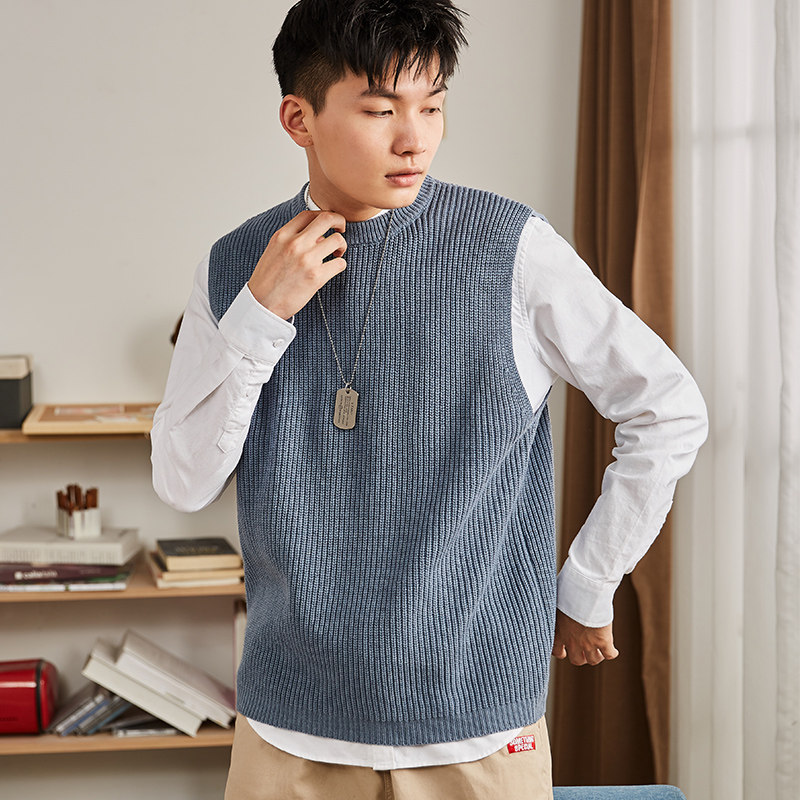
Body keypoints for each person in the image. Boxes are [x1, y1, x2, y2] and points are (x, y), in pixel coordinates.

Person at [150, 1, 708, 798]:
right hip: (288, 735)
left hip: (477, 733)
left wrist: (588, 583)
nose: (415, 139)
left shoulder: (509, 248)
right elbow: (181, 482)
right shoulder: (237, 265)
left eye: (433, 106)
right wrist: (259, 316)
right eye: (381, 111)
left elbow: (669, 407)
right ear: (299, 119)